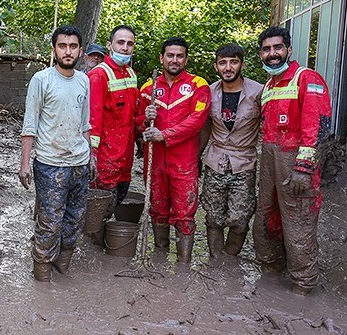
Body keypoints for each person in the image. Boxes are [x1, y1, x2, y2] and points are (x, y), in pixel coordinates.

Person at [252, 26, 332, 295]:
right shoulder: (269, 85)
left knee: (298, 223)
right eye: (266, 49)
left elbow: (318, 127)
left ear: (288, 49)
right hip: (269, 160)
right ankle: (271, 276)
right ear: (261, 54)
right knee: (266, 218)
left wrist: (304, 168)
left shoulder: (306, 78)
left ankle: (303, 287)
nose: (272, 53)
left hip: (295, 164)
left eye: (277, 48)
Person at [19, 25, 93, 281]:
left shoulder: (84, 80)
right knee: (49, 223)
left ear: (80, 51)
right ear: (54, 50)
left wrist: (90, 157)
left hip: (79, 163)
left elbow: (85, 124)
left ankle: (63, 267)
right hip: (50, 164)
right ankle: (42, 277)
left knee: (74, 221)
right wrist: (25, 163)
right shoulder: (42, 80)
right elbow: (30, 124)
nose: (68, 51)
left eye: (73, 46)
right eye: (62, 46)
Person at [138, 37, 210, 264]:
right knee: (157, 210)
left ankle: (183, 268)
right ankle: (159, 262)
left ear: (186, 59)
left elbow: (197, 121)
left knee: (184, 214)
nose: (175, 60)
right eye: (170, 55)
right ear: (162, 58)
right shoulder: (148, 88)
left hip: (184, 162)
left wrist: (165, 135)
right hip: (155, 161)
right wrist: (145, 118)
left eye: (180, 56)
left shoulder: (199, 85)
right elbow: (137, 122)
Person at [198, 43, 263, 260]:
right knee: (213, 217)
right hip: (215, 159)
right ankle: (216, 261)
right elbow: (205, 126)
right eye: (223, 63)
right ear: (216, 66)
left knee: (239, 219)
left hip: (244, 161)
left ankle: (229, 257)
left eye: (233, 62)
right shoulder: (209, 92)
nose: (228, 67)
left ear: (242, 64)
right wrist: (197, 156)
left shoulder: (258, 92)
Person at [87, 25, 141, 212]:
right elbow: (92, 120)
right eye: (120, 43)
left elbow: (134, 116)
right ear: (109, 45)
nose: (125, 48)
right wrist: (92, 155)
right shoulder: (99, 75)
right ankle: (94, 241)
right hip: (105, 158)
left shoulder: (131, 74)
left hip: (124, 158)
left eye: (130, 44)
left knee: (117, 201)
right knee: (99, 209)